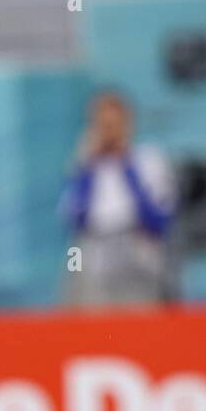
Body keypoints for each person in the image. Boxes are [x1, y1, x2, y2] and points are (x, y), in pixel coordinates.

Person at [61, 91, 179, 306]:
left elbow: (158, 221)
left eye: (114, 124)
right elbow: (76, 219)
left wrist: (126, 165)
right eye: (103, 125)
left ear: (128, 124)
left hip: (137, 253)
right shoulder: (85, 164)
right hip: (98, 254)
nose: (109, 132)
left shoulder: (149, 159)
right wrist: (88, 168)